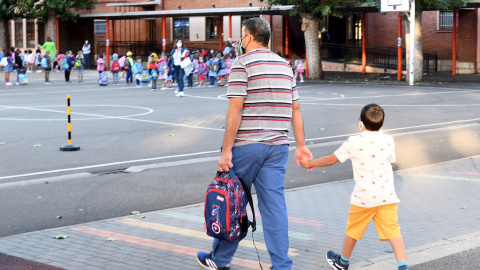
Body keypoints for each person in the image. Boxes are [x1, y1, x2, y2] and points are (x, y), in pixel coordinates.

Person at [196, 17, 312, 270]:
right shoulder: (284, 65)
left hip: (246, 146)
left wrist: (226, 151)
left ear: (247, 37)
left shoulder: (242, 64)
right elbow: (296, 109)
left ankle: (220, 259)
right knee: (274, 207)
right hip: (278, 147)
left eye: (241, 36)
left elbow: (235, 109)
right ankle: (282, 265)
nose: (239, 40)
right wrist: (301, 145)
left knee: (232, 201)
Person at [300, 104, 408, 270]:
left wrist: (310, 163)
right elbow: (391, 163)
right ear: (382, 123)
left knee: (353, 231)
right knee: (393, 231)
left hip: (363, 198)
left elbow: (331, 159)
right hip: (386, 197)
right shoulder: (388, 140)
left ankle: (343, 262)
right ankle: (403, 266)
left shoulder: (354, 142)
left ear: (361, 123)